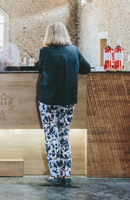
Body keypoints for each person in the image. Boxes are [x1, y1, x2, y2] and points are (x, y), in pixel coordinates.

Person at [35, 22, 91, 187]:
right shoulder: (74, 51)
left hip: (49, 101)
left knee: (51, 136)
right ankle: (67, 175)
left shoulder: (44, 52)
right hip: (67, 101)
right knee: (64, 135)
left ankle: (55, 174)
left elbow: (39, 68)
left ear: (49, 35)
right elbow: (86, 69)